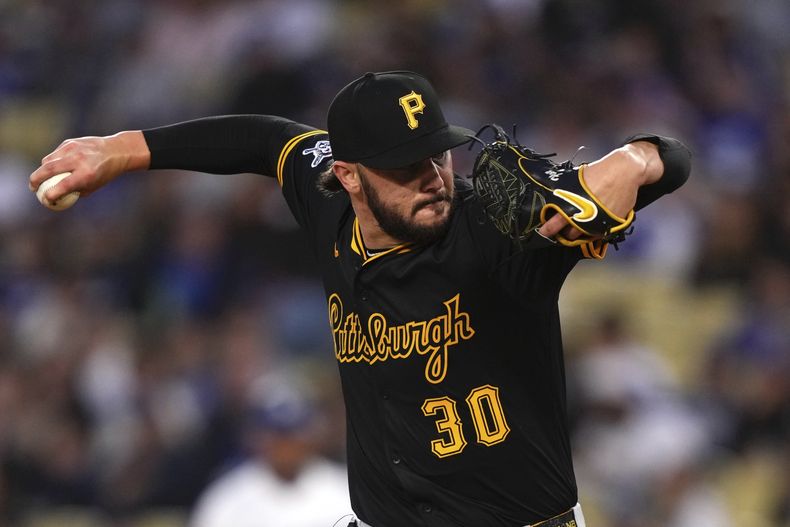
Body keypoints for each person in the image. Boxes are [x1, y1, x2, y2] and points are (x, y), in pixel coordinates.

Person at [30, 70, 691, 527]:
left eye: (438, 154)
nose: (433, 178)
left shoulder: (494, 229)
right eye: (406, 167)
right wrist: (121, 150)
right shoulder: (328, 206)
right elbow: (263, 139)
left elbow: (673, 159)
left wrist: (635, 160)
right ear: (345, 175)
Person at [190, 374, 352, 527]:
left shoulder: (346, 491)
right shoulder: (226, 498)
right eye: (277, 435)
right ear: (255, 436)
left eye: (293, 434)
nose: (286, 446)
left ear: (312, 434)